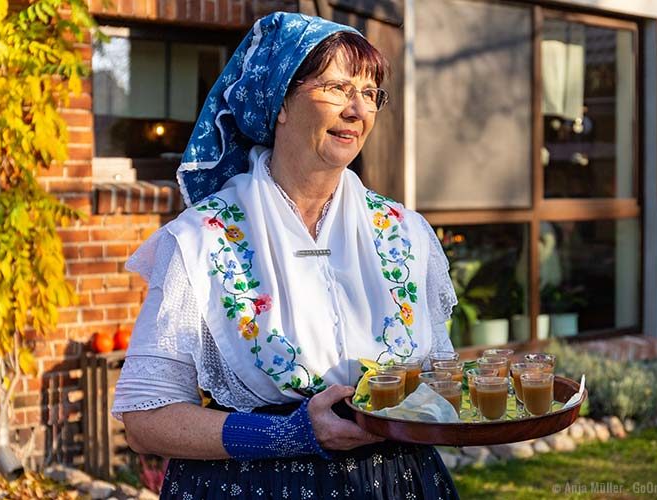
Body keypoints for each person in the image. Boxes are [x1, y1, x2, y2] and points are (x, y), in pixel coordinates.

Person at [111, 11, 459, 499]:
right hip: (254, 486)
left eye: (369, 93)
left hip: (395, 484)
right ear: (280, 102)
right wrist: (288, 434)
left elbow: (438, 386)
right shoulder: (203, 240)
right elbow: (146, 420)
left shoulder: (406, 234)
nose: (357, 110)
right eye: (337, 88)